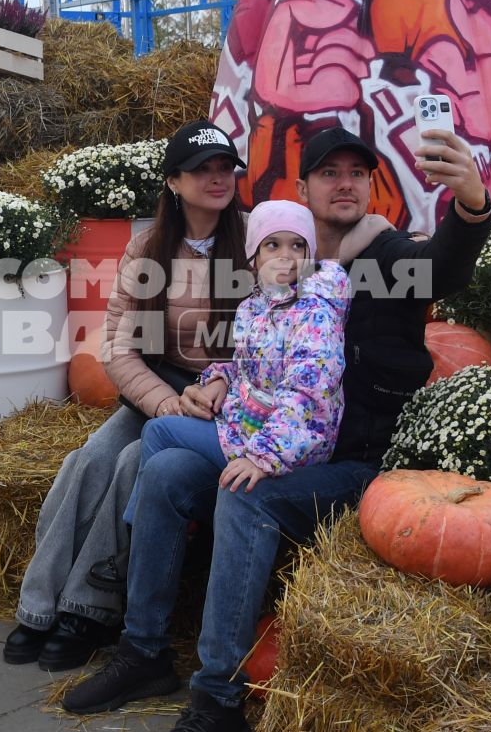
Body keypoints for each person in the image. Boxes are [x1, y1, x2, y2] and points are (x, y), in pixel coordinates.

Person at [62, 123, 491, 732]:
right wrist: (216, 382)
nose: (345, 182)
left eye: (358, 172)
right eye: (330, 172)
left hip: (350, 462)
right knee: (167, 468)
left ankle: (218, 696)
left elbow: (446, 268)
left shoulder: (388, 257)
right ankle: (143, 648)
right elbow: (252, 360)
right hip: (270, 442)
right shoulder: (276, 269)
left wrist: (470, 205)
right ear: (303, 189)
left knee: (247, 498)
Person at [3, 120, 251, 671]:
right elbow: (119, 345)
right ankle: (38, 606)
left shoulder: (258, 242)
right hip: (161, 387)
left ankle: (87, 610)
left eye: (224, 167)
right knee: (87, 460)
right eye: (201, 169)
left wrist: (213, 388)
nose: (216, 178)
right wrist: (164, 402)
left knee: (135, 463)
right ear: (173, 182)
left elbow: (272, 334)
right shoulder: (147, 249)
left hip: (229, 397)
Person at [125, 199, 348, 514]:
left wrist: (262, 457)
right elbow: (251, 367)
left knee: (160, 430)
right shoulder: (254, 306)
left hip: (293, 443)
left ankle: (142, 524)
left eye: (297, 245)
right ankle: (175, 519)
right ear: (254, 257)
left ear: (309, 256)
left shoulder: (314, 313)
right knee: (166, 461)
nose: (285, 256)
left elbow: (306, 397)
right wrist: (220, 378)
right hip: (253, 425)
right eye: (272, 245)